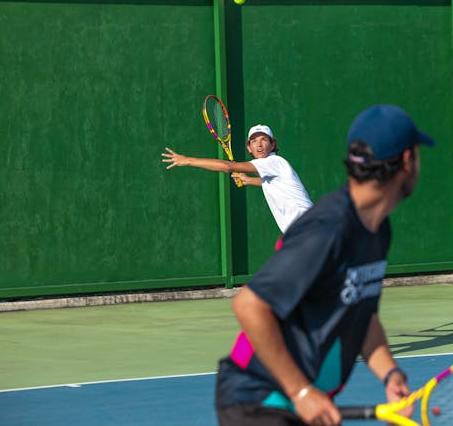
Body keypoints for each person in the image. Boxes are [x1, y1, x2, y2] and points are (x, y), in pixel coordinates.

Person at [214, 104, 435, 425]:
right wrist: (301, 392)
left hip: (299, 397)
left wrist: (389, 374)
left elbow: (362, 315)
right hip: (259, 401)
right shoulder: (327, 229)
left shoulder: (376, 229)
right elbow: (249, 306)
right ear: (406, 161)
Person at [162, 124, 312, 234]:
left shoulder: (274, 162)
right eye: (254, 141)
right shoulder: (273, 169)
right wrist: (249, 180)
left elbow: (227, 167)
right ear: (249, 147)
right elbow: (274, 184)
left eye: (264, 140)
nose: (259, 144)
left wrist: (187, 160)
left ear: (272, 145)